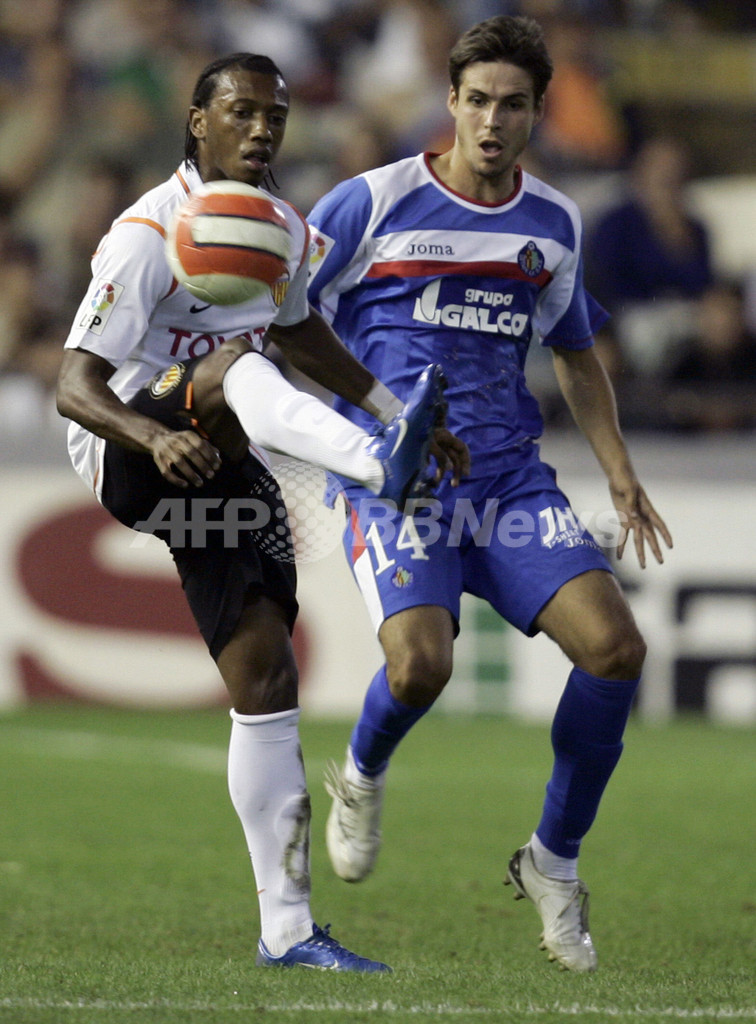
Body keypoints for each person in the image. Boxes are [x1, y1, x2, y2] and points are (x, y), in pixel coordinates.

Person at [56, 52, 467, 973]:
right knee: (237, 367)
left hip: (221, 455)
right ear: (197, 120)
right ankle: (377, 468)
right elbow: (74, 387)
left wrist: (391, 409)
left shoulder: (279, 228)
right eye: (240, 112)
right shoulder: (147, 233)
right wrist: (150, 436)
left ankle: (287, 932)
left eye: (274, 115)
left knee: (268, 680)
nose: (261, 129)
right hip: (130, 447)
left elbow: (299, 329)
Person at [307, 15, 672, 973]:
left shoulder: (553, 221)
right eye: (476, 101)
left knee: (616, 650)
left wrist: (619, 470)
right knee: (420, 669)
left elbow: (575, 351)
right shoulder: (370, 202)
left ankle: (554, 861)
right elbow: (289, 316)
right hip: (399, 482)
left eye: (512, 105)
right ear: (451, 102)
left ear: (537, 112)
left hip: (508, 482)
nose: (492, 121)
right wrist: (340, 428)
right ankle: (361, 773)